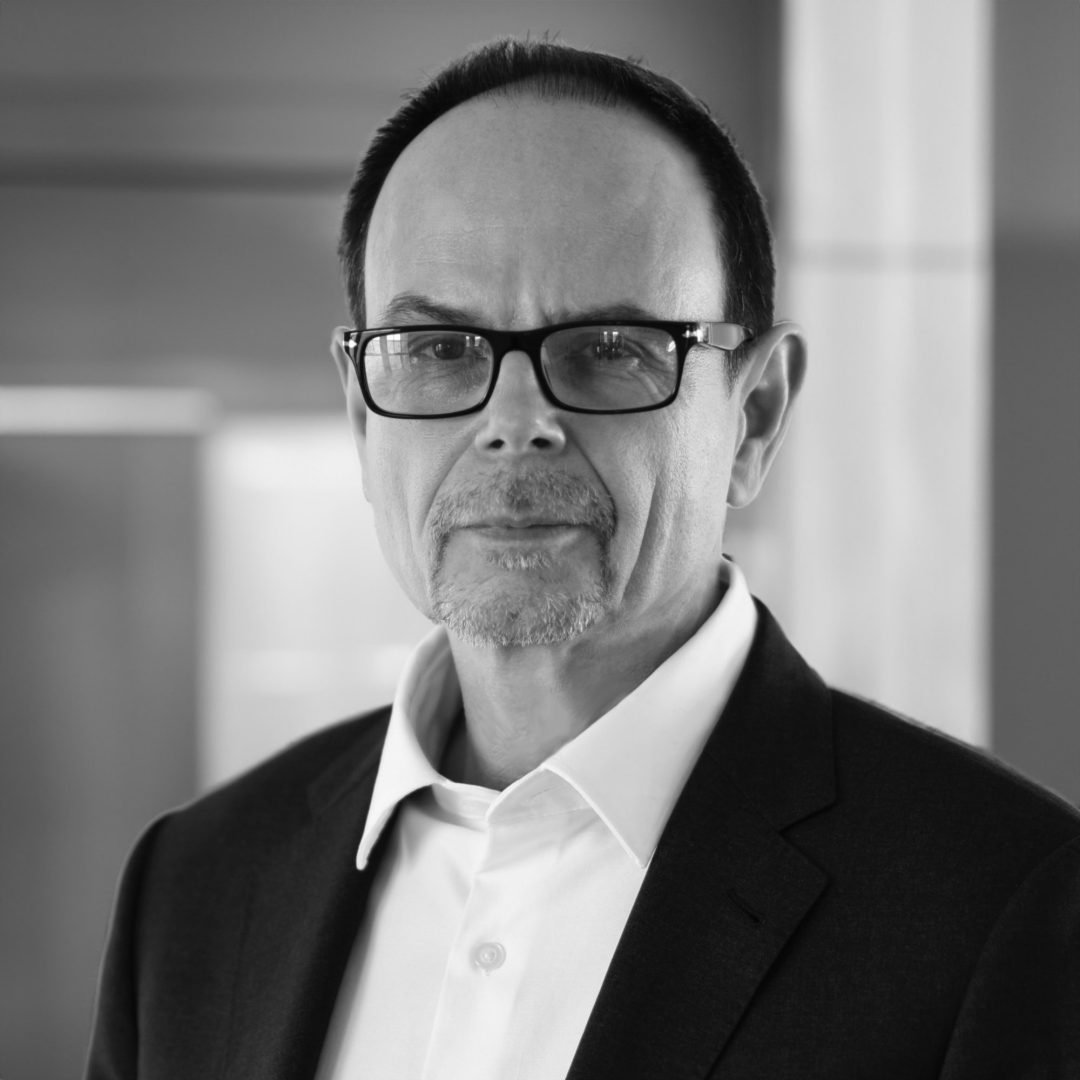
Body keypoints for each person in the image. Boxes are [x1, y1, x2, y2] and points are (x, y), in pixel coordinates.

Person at [86, 38, 1080, 1080]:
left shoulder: (1008, 911)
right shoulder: (194, 889)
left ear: (753, 417)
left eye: (611, 349)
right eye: (438, 351)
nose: (515, 423)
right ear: (361, 416)